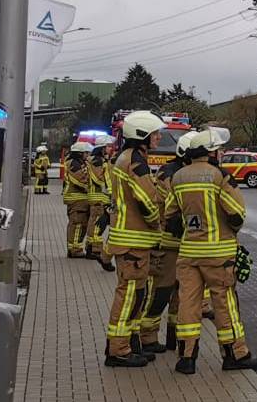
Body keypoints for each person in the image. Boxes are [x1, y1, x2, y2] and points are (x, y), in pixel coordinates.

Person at [168, 126, 257, 375]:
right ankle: (235, 354)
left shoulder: (178, 177)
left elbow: (169, 216)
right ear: (211, 153)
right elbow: (236, 212)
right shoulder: (219, 177)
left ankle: (186, 358)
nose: (221, 153)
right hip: (219, 254)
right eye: (219, 149)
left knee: (188, 302)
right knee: (225, 302)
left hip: (188, 253)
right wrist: (230, 230)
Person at [101, 111, 167, 368]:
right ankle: (118, 350)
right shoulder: (135, 161)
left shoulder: (126, 158)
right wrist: (157, 224)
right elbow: (147, 200)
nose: (159, 137)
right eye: (155, 134)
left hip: (130, 240)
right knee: (129, 295)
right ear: (142, 135)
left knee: (136, 294)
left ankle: (128, 344)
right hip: (133, 242)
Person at [137, 142, 187, 355]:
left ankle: (172, 336)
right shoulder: (168, 174)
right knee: (161, 291)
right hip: (166, 244)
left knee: (180, 293)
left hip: (184, 244)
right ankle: (147, 337)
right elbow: (172, 205)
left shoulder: (183, 172)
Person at [88, 136, 116, 271]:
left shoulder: (101, 161)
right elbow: (101, 179)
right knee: (98, 224)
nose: (110, 149)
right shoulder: (98, 162)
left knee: (98, 223)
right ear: (102, 148)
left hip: (102, 197)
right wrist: (110, 191)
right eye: (108, 147)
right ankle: (96, 251)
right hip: (99, 197)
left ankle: (93, 249)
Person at [63, 142, 95, 257]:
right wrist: (90, 186)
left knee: (82, 224)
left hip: (81, 199)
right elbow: (80, 179)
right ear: (80, 153)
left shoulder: (81, 163)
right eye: (86, 153)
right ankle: (74, 249)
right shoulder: (73, 164)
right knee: (77, 224)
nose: (88, 155)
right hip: (76, 199)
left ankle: (76, 247)